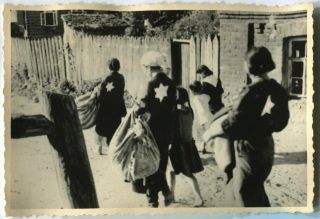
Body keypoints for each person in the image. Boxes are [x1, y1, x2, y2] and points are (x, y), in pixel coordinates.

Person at [202, 46, 290, 207]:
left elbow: (232, 123)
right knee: (254, 189)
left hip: (249, 148)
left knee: (244, 193)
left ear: (249, 66)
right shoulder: (277, 89)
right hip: (267, 145)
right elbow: (281, 122)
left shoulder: (250, 92)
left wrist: (209, 134)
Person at [134, 51, 176, 208]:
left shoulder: (149, 84)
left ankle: (154, 199)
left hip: (151, 132)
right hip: (167, 131)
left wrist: (137, 108)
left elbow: (142, 107)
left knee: (150, 164)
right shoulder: (171, 83)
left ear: (148, 67)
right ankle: (165, 192)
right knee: (161, 163)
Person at [169, 87, 204, 207]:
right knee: (172, 171)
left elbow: (175, 130)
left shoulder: (175, 113)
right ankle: (171, 195)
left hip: (179, 145)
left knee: (185, 173)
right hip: (188, 144)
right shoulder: (190, 110)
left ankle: (199, 198)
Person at [95, 58, 127, 155]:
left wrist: (96, 95)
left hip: (106, 108)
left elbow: (101, 94)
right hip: (117, 107)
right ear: (118, 67)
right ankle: (113, 149)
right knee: (115, 128)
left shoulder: (107, 78)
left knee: (101, 127)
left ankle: (99, 149)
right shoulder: (121, 78)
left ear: (109, 67)